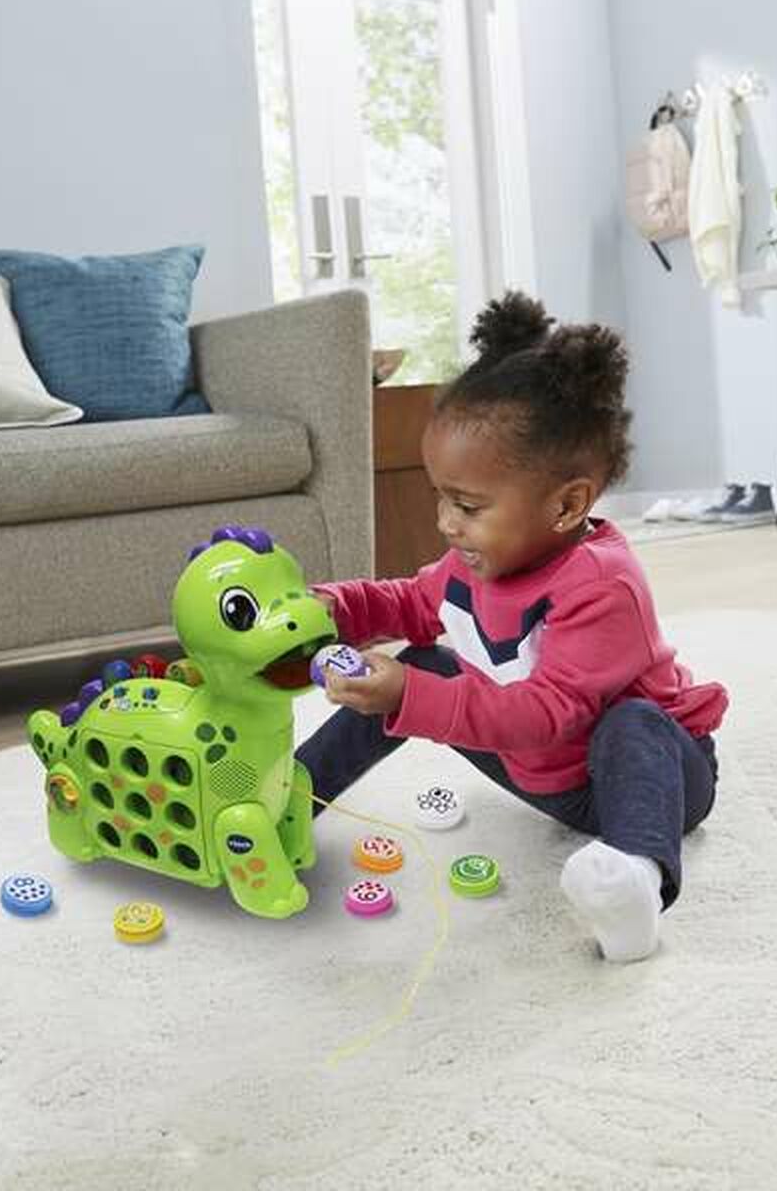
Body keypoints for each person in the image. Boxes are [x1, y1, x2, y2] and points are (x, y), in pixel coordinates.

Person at [296, 291, 728, 961]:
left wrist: (409, 697)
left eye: (468, 506)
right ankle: (289, 804)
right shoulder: (476, 562)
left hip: (647, 778)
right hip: (542, 774)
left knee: (633, 722)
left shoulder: (601, 584)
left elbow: (547, 714)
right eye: (441, 497)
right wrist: (331, 609)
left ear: (567, 505)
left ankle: (635, 882)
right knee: (424, 662)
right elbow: (410, 602)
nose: (446, 523)